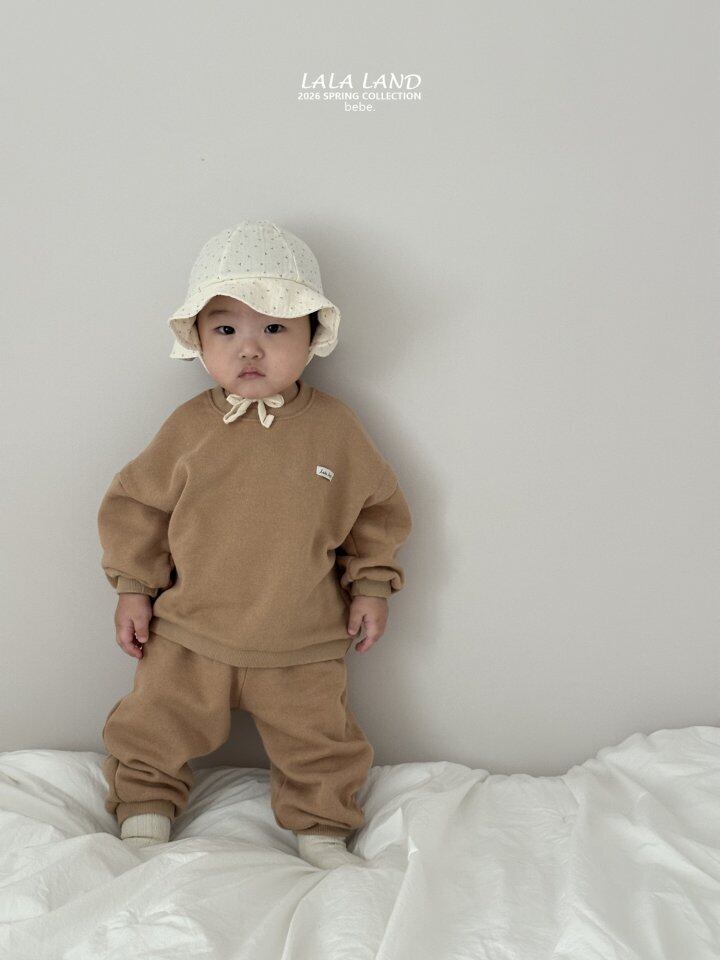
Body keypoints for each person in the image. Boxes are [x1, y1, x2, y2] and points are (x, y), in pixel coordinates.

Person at [97, 220, 412, 869]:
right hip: (189, 633)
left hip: (301, 639)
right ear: (197, 339)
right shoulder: (189, 428)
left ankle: (321, 828)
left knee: (321, 743)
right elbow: (138, 508)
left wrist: (372, 585)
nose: (249, 349)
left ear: (311, 336)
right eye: (225, 329)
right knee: (153, 723)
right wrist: (132, 587)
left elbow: (375, 512)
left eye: (273, 328)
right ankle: (146, 810)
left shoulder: (335, 429)